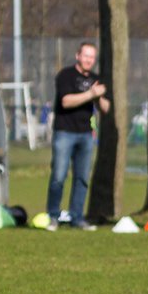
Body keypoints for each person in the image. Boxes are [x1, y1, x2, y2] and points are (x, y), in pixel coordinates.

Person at [47, 42, 109, 230]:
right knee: (59, 176)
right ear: (78, 56)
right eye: (86, 56)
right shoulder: (66, 76)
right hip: (64, 132)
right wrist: (91, 93)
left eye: (92, 57)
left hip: (86, 135)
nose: (89, 60)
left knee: (82, 178)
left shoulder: (97, 79)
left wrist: (98, 96)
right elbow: (66, 102)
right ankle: (53, 216)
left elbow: (106, 108)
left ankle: (77, 217)